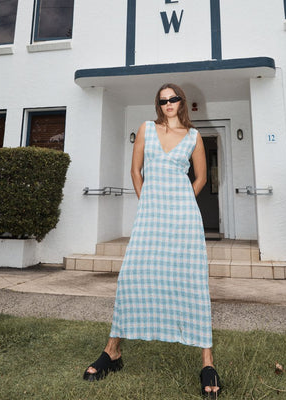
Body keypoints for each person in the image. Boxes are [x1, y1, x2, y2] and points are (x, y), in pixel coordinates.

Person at [83, 83, 222, 398]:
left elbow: (201, 178)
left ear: (181, 102)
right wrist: (148, 203)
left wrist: (182, 201)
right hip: (151, 215)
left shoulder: (194, 137)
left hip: (184, 218)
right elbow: (136, 172)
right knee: (131, 277)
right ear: (158, 105)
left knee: (192, 281)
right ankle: (112, 351)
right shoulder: (146, 128)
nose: (168, 103)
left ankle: (207, 362)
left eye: (173, 99)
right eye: (163, 100)